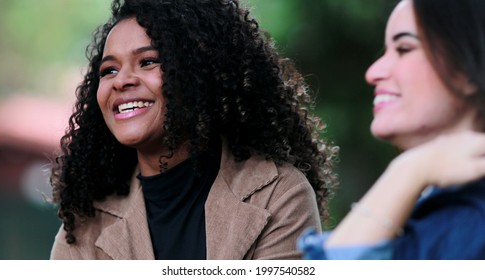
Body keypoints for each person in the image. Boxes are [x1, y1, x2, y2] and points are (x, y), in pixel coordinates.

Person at [49, 0, 337, 260]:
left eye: (148, 62)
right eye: (108, 70)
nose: (120, 81)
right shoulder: (83, 226)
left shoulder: (278, 194)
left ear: (200, 74)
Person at [298, 0, 485, 259]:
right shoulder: (440, 204)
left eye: (404, 48)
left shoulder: (469, 223)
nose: (373, 72)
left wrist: (408, 170)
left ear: (467, 66)